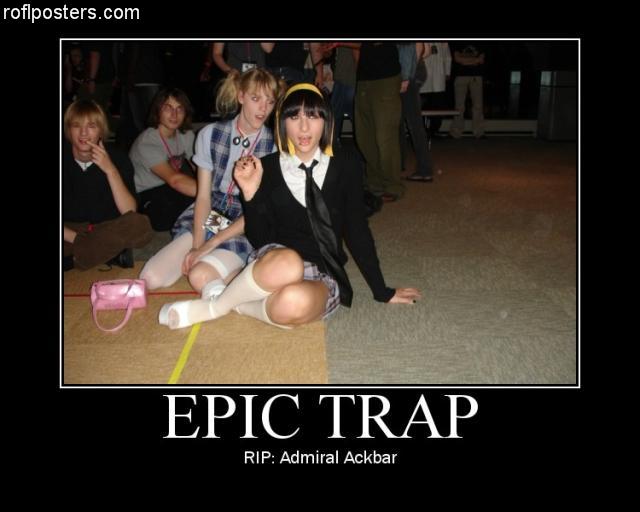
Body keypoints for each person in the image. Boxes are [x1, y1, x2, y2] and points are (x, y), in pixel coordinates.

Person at [158, 83, 420, 330]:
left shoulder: (346, 164)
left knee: (293, 302)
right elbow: (260, 239)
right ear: (282, 122)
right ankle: (215, 308)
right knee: (290, 263)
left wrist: (382, 290)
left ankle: (234, 302)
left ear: (326, 120)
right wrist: (250, 195)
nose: (304, 127)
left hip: (320, 273)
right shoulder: (268, 167)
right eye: (294, 117)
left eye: (313, 116)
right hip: (277, 261)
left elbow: (356, 228)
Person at [139, 68, 283, 299]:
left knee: (201, 275)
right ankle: (240, 276)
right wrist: (198, 246)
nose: (263, 108)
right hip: (214, 212)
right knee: (151, 277)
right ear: (241, 96)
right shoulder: (210, 134)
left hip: (247, 219)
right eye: (256, 98)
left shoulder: (275, 145)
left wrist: (210, 245)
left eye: (270, 101)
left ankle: (248, 274)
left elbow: (258, 211)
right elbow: (204, 196)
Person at [63, 99, 153, 271]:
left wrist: (110, 170)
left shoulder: (118, 158)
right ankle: (109, 254)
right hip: (69, 229)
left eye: (91, 126)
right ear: (68, 130)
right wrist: (76, 238)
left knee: (140, 225)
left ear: (101, 130)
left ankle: (72, 260)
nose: (83, 133)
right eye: (76, 125)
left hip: (108, 227)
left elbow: (129, 211)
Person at [129, 87, 197, 231]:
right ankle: (214, 226)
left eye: (179, 109)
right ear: (157, 111)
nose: (174, 114)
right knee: (187, 207)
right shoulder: (147, 142)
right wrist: (208, 191)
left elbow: (199, 167)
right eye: (168, 108)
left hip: (171, 188)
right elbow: (175, 180)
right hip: (147, 194)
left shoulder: (186, 134)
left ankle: (220, 226)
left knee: (199, 203)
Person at [449, 41, 486, 139]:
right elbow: (457, 59)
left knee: (478, 105)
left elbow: (481, 59)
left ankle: (479, 132)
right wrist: (474, 61)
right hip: (460, 75)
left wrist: (464, 61)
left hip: (476, 75)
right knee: (459, 106)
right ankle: (456, 132)